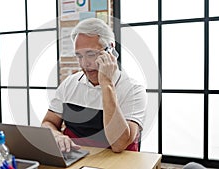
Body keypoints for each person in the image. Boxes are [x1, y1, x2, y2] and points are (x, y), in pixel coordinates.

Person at [41, 18, 147, 153]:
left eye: (91, 54)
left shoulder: (134, 90)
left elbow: (119, 145)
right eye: (79, 56)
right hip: (76, 158)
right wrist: (56, 135)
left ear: (111, 50)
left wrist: (107, 84)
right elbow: (48, 123)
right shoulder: (69, 84)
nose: (85, 63)